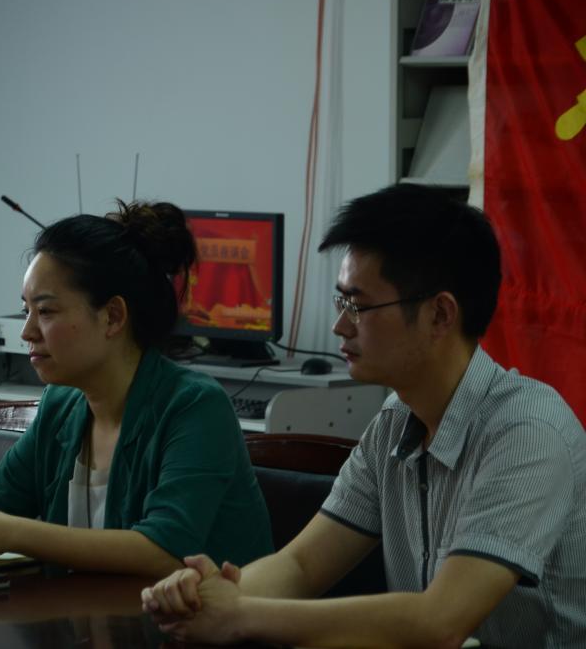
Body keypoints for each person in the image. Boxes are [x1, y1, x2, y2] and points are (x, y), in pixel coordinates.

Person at [142, 184, 586, 647]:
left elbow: (440, 621)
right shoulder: (394, 422)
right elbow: (300, 566)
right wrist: (205, 598)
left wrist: (239, 614)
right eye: (341, 302)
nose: (340, 325)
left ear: (440, 315)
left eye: (358, 305)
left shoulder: (528, 434)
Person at [0, 200, 273, 578]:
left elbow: (165, 550)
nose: (27, 332)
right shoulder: (61, 405)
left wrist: (11, 533)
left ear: (113, 317)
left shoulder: (195, 406)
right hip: (86, 614)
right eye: (26, 311)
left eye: (46, 311)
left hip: (200, 616)